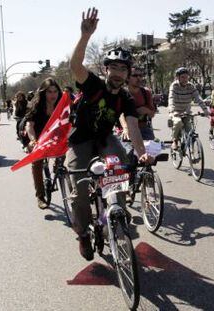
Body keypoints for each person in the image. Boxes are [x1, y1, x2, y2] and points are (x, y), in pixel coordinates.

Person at [68, 7, 152, 261]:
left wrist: (142, 153)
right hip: (80, 140)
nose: (117, 73)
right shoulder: (93, 84)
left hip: (105, 140)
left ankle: (116, 214)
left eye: (122, 69)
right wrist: (85, 36)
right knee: (80, 192)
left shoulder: (125, 98)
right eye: (113, 67)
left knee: (120, 171)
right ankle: (83, 233)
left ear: (127, 75)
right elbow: (74, 65)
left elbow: (133, 127)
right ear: (106, 71)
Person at [25, 79, 62, 209]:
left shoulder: (61, 104)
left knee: (65, 158)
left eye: (55, 91)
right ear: (43, 93)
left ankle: (61, 172)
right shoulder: (35, 106)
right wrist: (33, 140)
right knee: (37, 162)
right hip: (37, 137)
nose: (53, 95)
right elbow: (29, 125)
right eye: (49, 92)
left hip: (55, 137)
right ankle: (40, 196)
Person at [168, 67, 208, 149]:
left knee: (190, 131)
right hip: (175, 111)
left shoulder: (191, 86)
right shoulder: (174, 86)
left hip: (186, 112)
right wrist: (173, 110)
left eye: (186, 77)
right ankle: (174, 141)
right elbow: (171, 98)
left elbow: (198, 98)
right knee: (178, 122)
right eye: (182, 77)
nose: (185, 79)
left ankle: (192, 151)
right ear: (177, 77)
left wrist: (205, 110)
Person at [119, 66, 156, 141]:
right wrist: (125, 128)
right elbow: (120, 114)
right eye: (135, 76)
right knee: (127, 151)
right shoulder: (122, 93)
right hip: (126, 129)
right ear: (127, 78)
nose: (139, 78)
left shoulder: (146, 93)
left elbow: (152, 114)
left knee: (152, 151)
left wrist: (146, 110)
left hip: (144, 129)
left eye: (140, 76)